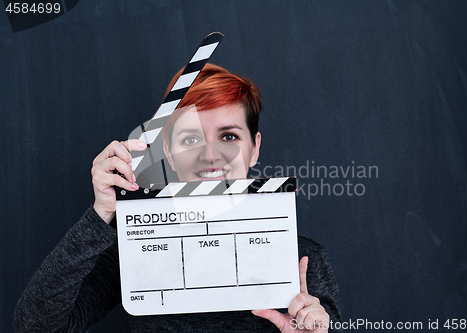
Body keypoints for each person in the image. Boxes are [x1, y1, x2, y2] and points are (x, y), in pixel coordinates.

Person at [14, 64, 342, 332]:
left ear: (254, 147)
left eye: (229, 136)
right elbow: (36, 327)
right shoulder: (137, 249)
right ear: (169, 156)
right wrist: (101, 213)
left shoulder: (304, 260)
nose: (210, 155)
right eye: (190, 140)